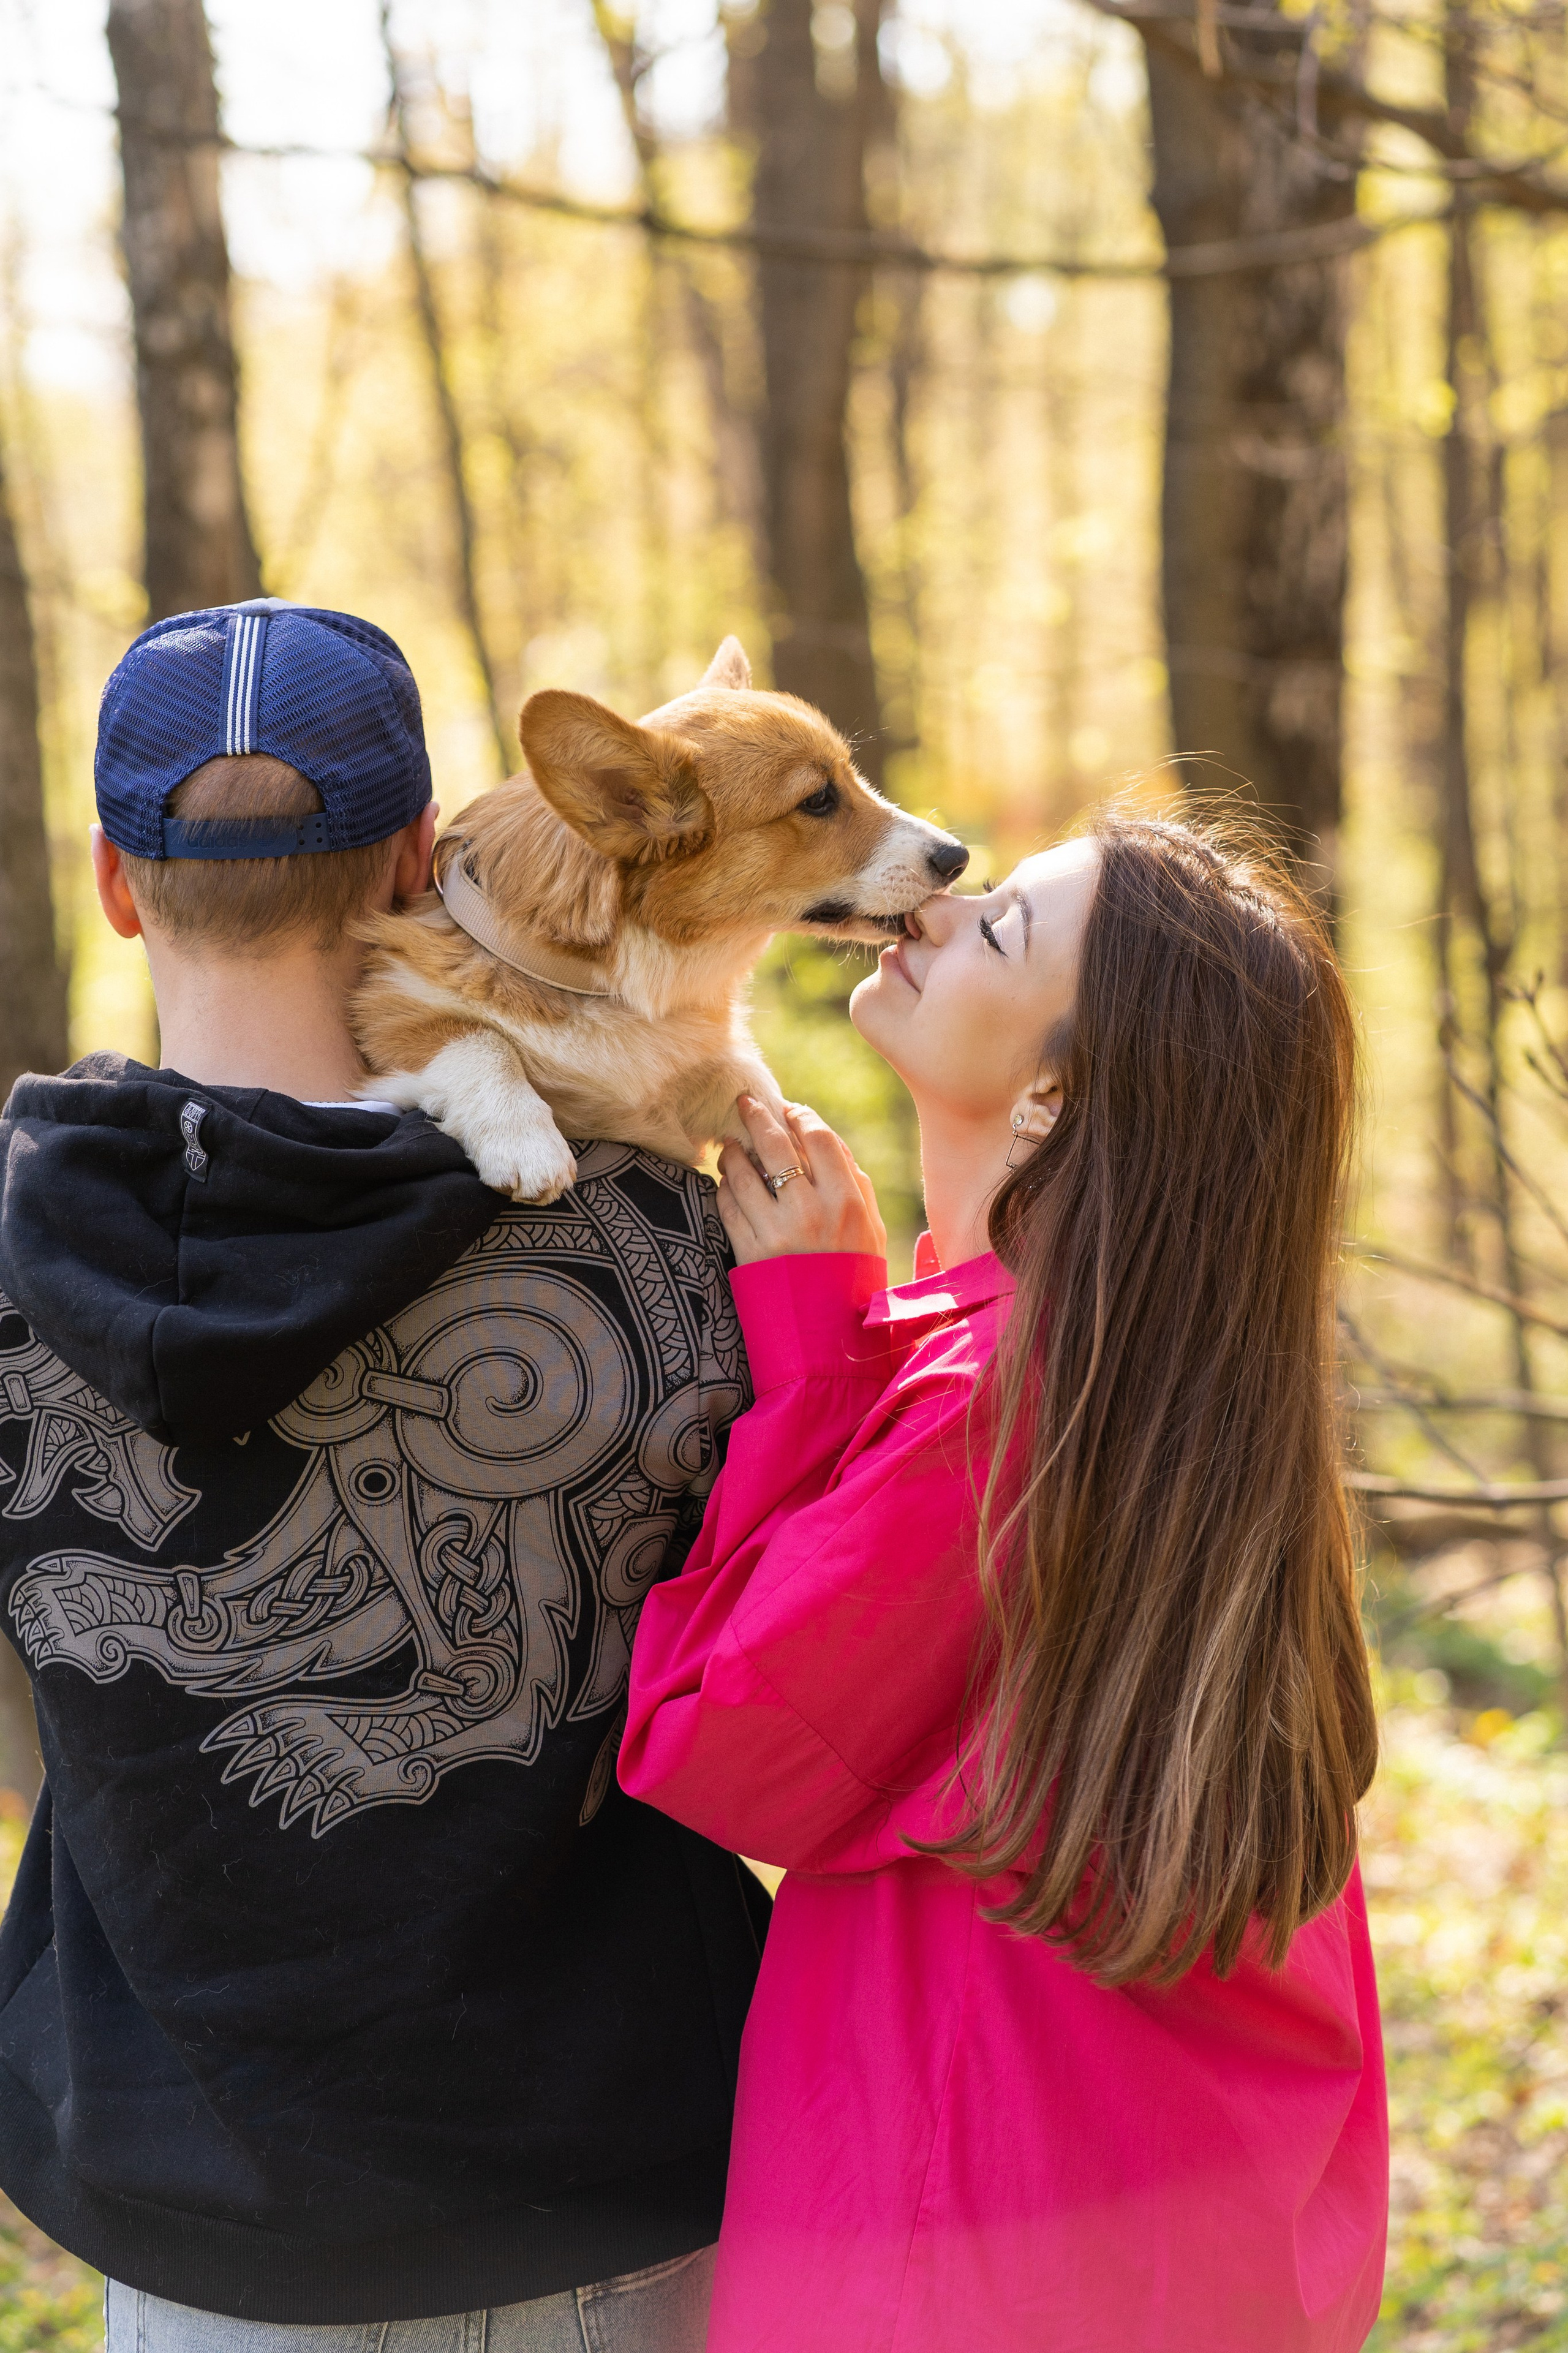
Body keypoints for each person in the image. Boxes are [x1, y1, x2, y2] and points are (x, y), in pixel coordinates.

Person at [0, 600, 767, 2352]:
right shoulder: (659, 1230)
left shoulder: (9, 1252)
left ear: (121, 883)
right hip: (610, 2198)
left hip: (207, 2229)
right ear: (422, 858)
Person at [621, 811, 1389, 2353]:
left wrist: (816, 1355)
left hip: (958, 2249)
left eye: (1002, 928)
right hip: (1151, 2237)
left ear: (1051, 1093)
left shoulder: (999, 1400)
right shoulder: (1142, 1379)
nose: (932, 913)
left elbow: (720, 1739)